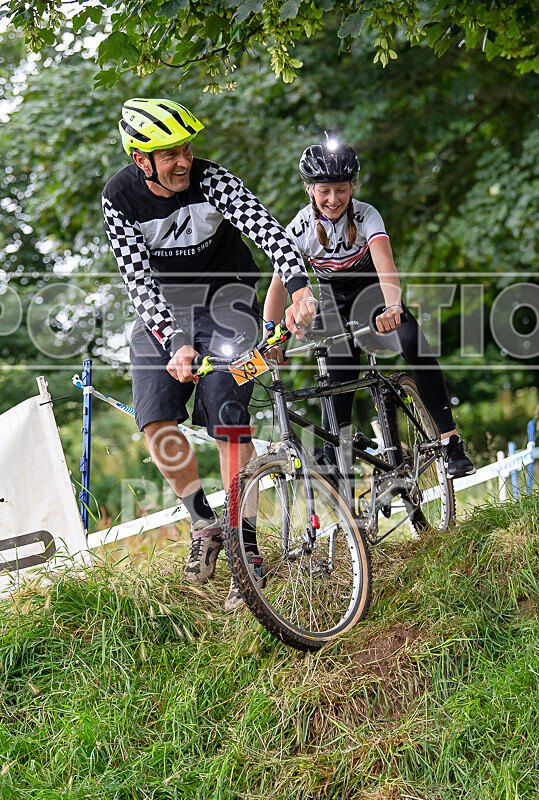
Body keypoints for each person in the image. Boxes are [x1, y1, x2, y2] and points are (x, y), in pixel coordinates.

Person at [102, 98, 316, 609]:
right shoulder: (119, 197)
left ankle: (247, 548)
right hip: (166, 310)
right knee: (155, 419)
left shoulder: (211, 178)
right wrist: (172, 340)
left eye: (186, 149)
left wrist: (300, 285)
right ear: (141, 160)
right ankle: (203, 523)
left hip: (229, 299)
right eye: (169, 154)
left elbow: (269, 231)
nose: (183, 161)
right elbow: (138, 280)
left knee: (226, 414)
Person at [263, 132, 475, 479]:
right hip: (333, 305)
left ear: (353, 186)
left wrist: (393, 306)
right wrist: (272, 337)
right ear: (309, 190)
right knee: (337, 380)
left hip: (374, 298)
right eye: (324, 190)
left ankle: (450, 440)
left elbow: (386, 265)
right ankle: (339, 450)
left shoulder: (366, 216)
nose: (333, 199)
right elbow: (278, 288)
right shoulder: (299, 227)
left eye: (342, 189)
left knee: (412, 343)